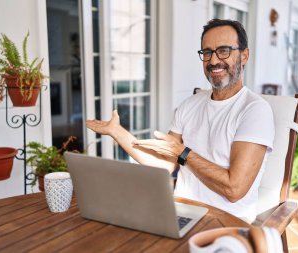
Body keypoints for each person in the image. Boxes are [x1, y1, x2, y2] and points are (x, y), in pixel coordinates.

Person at [86, 19, 275, 223]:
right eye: (207, 52)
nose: (213, 61)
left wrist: (183, 153)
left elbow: (234, 189)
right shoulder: (190, 105)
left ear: (244, 55)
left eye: (223, 51)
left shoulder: (254, 110)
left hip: (227, 222)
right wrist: (117, 131)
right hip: (181, 213)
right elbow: (164, 164)